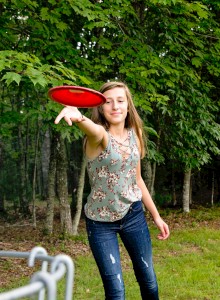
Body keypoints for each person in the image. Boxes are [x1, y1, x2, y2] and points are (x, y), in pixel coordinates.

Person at [55, 81, 170, 300]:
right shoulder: (98, 137)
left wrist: (156, 216)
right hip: (100, 224)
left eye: (120, 100)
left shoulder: (134, 134)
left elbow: (137, 179)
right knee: (116, 291)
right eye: (108, 102)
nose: (115, 106)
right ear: (100, 107)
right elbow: (94, 129)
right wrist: (79, 117)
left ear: (128, 105)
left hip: (133, 215)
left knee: (149, 280)